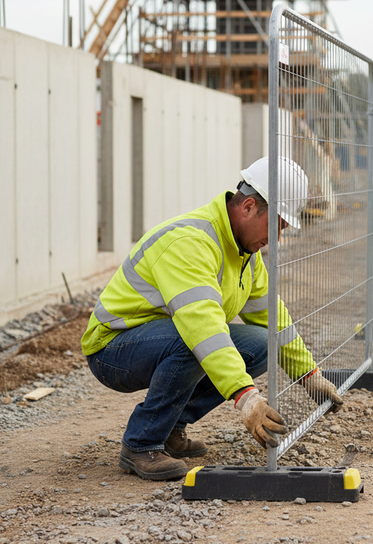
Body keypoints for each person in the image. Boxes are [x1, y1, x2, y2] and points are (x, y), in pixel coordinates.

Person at [81, 156, 343, 481]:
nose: (278, 237)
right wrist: (246, 398)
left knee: (261, 344)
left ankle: (170, 427)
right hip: (113, 349)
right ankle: (142, 443)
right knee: (194, 342)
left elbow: (271, 317)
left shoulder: (245, 252)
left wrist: (309, 375)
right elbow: (202, 328)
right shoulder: (191, 243)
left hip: (162, 339)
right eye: (277, 224)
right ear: (248, 207)